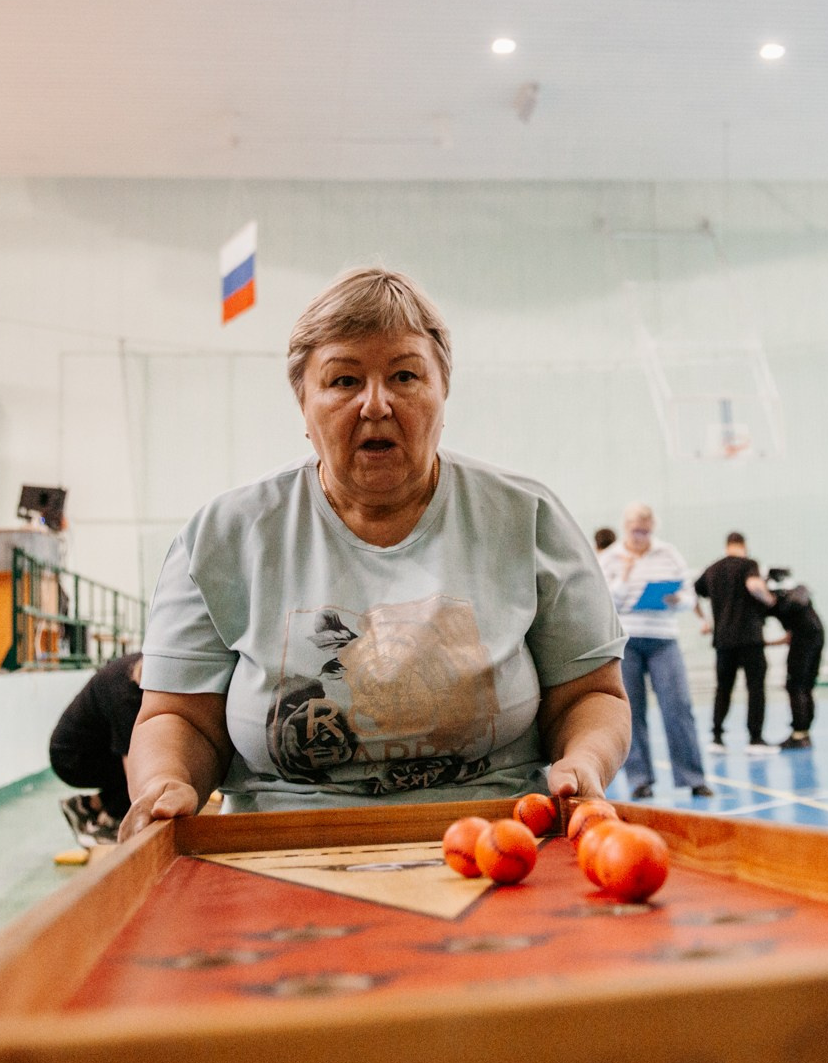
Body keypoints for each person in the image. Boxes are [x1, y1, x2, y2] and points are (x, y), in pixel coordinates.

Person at [124, 268, 629, 820]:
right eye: (343, 381)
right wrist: (168, 783)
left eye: (405, 376)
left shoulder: (527, 517)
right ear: (303, 407)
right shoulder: (222, 537)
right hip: (278, 844)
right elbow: (180, 718)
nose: (375, 405)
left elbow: (590, 695)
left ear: (442, 393)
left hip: (498, 839)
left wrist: (584, 760)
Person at [600, 504, 714, 799]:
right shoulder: (610, 557)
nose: (641, 536)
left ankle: (692, 777)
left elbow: (690, 596)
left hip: (664, 639)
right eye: (636, 530)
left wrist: (678, 599)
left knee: (678, 707)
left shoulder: (668, 553)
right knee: (632, 711)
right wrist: (624, 578)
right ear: (626, 527)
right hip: (627, 641)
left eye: (646, 531)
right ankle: (640, 779)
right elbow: (604, 602)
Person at [52, 652, 146, 845]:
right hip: (71, 757)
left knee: (145, 767)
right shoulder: (127, 694)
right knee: (141, 773)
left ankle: (86, 806)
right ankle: (106, 823)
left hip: (93, 747)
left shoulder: (140, 666)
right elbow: (135, 774)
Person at [695, 532, 773, 752]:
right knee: (755, 688)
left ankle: (717, 738)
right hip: (750, 638)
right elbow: (754, 586)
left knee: (723, 689)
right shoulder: (749, 564)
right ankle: (755, 739)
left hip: (723, 640)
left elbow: (693, 592)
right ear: (744, 545)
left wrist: (703, 620)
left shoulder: (712, 569)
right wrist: (770, 600)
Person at [763, 570, 825, 749]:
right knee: (805, 686)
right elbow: (792, 634)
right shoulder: (800, 598)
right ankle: (804, 732)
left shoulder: (786, 602)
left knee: (796, 686)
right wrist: (767, 643)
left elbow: (794, 633)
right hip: (817, 637)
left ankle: (799, 733)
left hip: (805, 641)